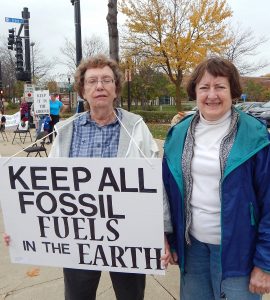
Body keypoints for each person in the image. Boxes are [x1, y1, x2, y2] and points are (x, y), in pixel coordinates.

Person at [4, 54, 172, 300]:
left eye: (107, 80)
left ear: (116, 88)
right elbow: (48, 186)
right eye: (92, 81)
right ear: (83, 90)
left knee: (130, 296)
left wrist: (162, 231)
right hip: (78, 237)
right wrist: (23, 227)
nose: (100, 86)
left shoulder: (136, 127)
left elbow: (155, 183)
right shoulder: (66, 131)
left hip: (129, 237)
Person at [163, 57, 270, 299]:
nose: (212, 95)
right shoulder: (178, 134)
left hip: (239, 253)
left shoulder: (255, 135)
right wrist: (167, 237)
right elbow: (166, 194)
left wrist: (265, 264)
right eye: (204, 87)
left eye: (220, 86)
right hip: (193, 251)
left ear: (232, 91)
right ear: (195, 92)